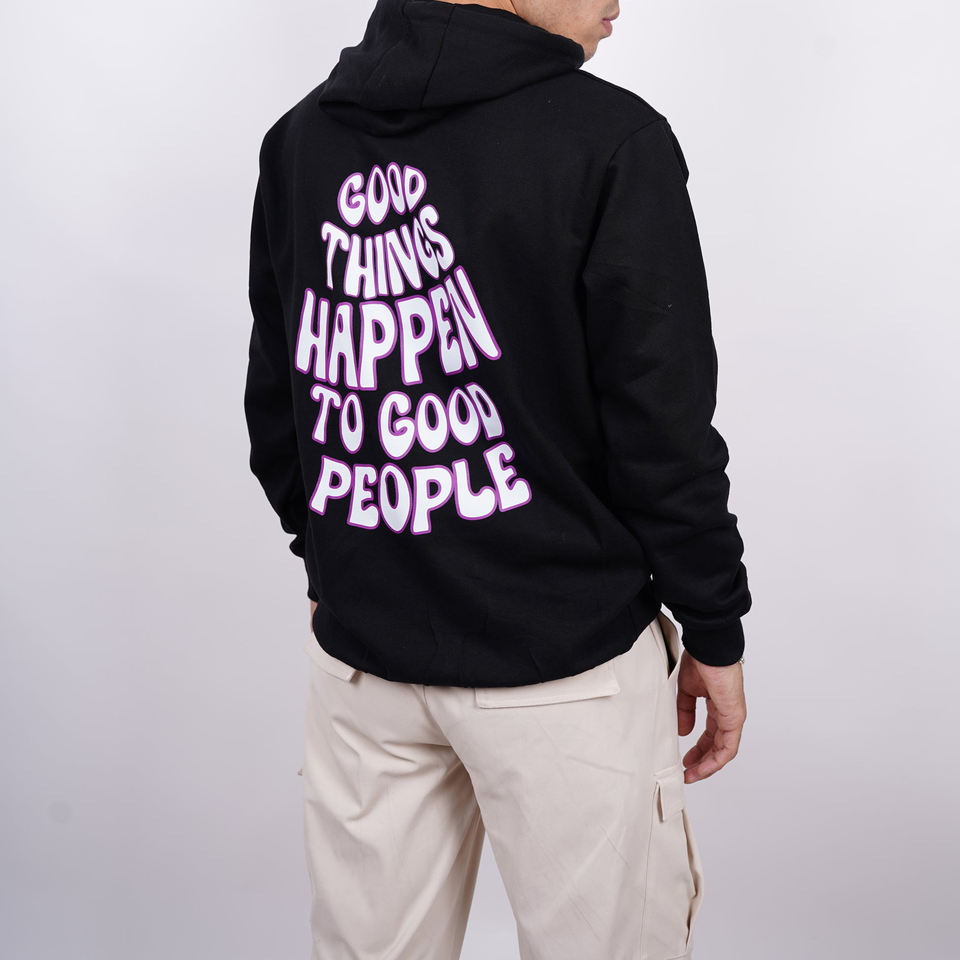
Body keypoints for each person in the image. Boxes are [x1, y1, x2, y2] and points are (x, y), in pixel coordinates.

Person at [243, 1, 752, 957]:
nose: (619, 1)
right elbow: (662, 430)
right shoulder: (610, 140)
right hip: (566, 665)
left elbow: (283, 397)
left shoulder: (303, 138)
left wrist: (333, 558)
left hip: (366, 660)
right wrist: (713, 626)